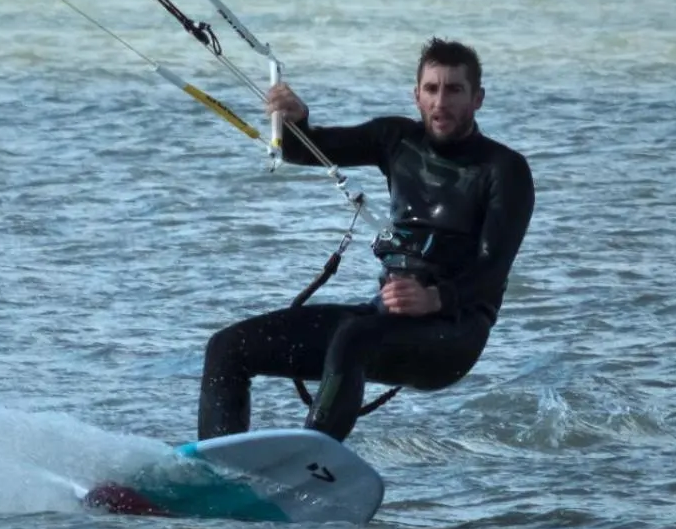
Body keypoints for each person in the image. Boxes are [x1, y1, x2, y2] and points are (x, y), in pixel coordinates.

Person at [198, 37, 534, 442]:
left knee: (353, 337)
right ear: (416, 96)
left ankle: (310, 460)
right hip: (384, 320)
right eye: (431, 89)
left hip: (454, 334)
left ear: (477, 98)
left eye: (454, 90)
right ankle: (215, 469)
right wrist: (296, 121)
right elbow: (304, 151)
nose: (440, 101)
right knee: (227, 348)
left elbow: (494, 270)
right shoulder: (395, 139)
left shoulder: (505, 170)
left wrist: (435, 298)